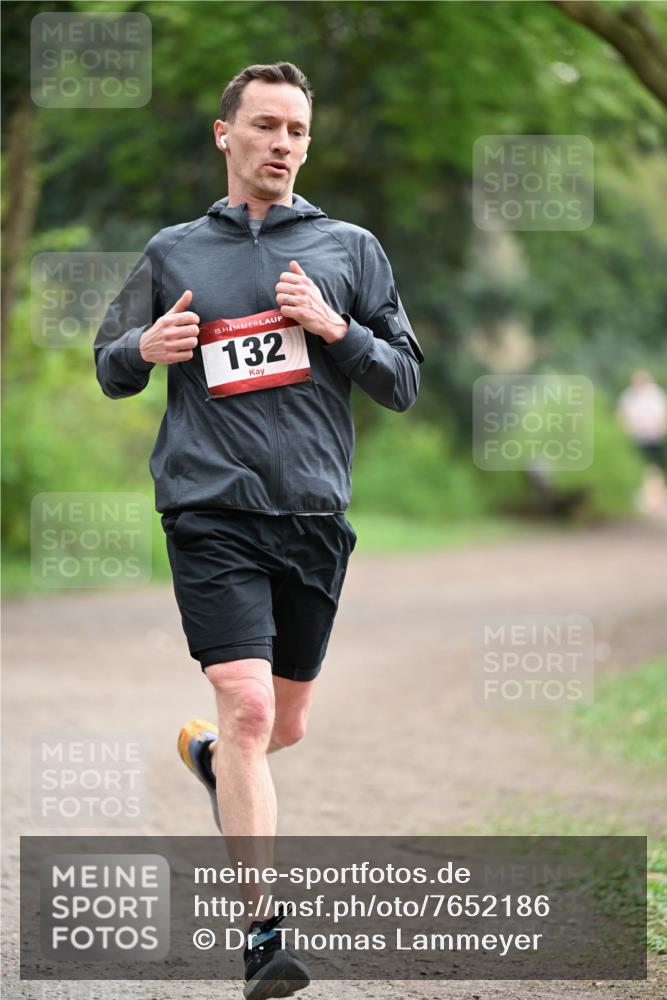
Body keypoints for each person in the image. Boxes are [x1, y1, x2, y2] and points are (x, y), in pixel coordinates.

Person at [93, 61, 423, 999]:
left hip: (313, 513)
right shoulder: (173, 251)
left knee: (283, 723)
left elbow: (401, 381)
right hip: (208, 508)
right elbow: (109, 365)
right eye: (268, 127)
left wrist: (332, 326)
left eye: (298, 133)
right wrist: (141, 348)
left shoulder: (348, 248)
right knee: (246, 708)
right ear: (224, 134)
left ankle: (208, 759)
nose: (283, 145)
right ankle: (260, 935)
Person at [617, 369, 667, 472]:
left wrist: (662, 428)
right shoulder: (628, 395)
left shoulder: (657, 394)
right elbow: (621, 414)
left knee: (657, 462)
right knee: (639, 462)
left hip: (655, 435)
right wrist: (627, 429)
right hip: (636, 436)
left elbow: (664, 412)